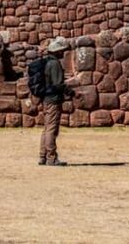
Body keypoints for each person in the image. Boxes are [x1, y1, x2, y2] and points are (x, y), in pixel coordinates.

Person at [39, 37, 76, 167]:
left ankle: (43, 156)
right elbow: (58, 84)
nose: (63, 53)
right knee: (51, 129)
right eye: (61, 50)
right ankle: (51, 158)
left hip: (47, 98)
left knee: (47, 128)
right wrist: (70, 92)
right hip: (53, 100)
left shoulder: (48, 62)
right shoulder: (54, 64)